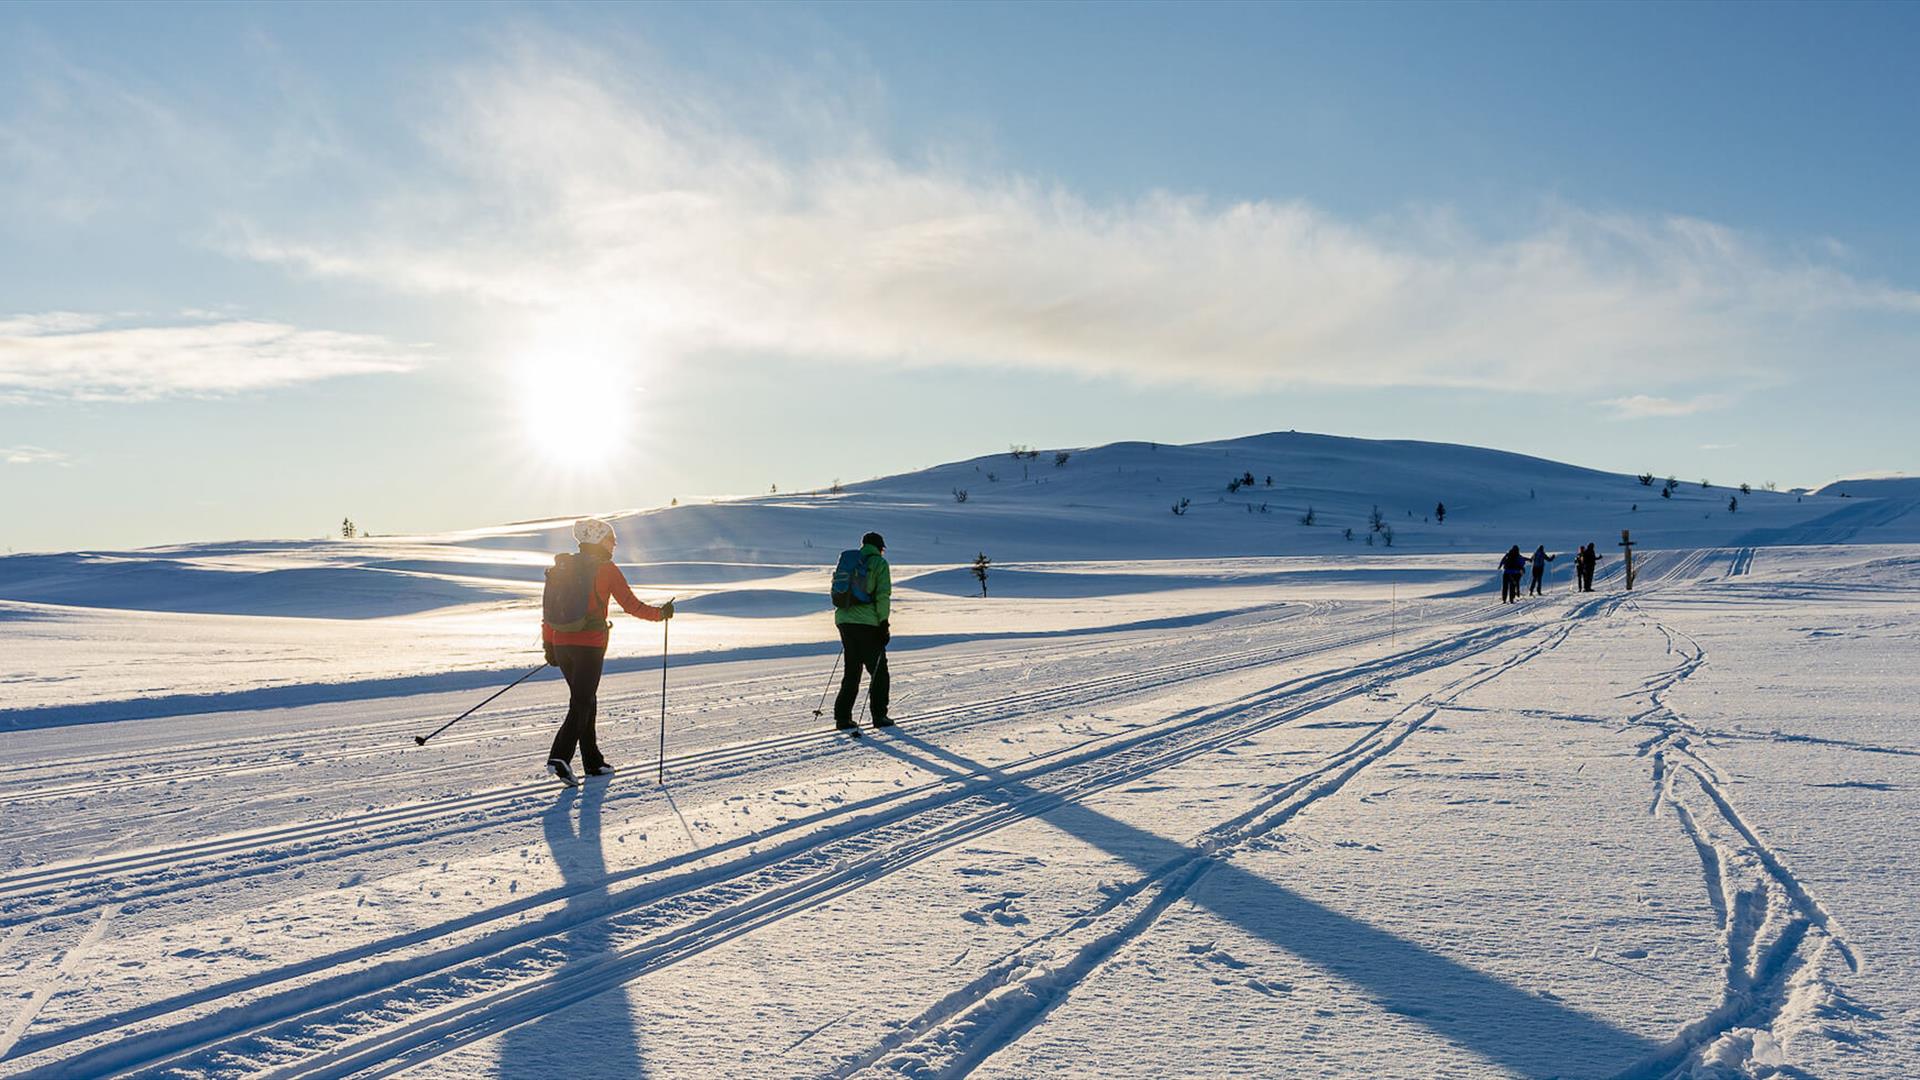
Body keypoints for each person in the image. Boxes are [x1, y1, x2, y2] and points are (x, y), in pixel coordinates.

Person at [541, 517, 673, 784]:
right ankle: (559, 757)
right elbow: (631, 605)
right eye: (611, 540)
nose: (614, 545)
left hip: (562, 643)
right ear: (598, 540)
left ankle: (593, 763)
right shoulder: (607, 569)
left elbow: (547, 609)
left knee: (586, 700)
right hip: (589, 645)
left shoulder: (562, 567)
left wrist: (549, 645)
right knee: (581, 702)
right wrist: (661, 614)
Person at [834, 531, 893, 730]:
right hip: (868, 623)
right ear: (880, 547)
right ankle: (879, 716)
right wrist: (883, 623)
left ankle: (842, 718)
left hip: (844, 620)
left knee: (852, 670)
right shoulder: (879, 563)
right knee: (879, 671)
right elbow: (883, 594)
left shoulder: (851, 562)